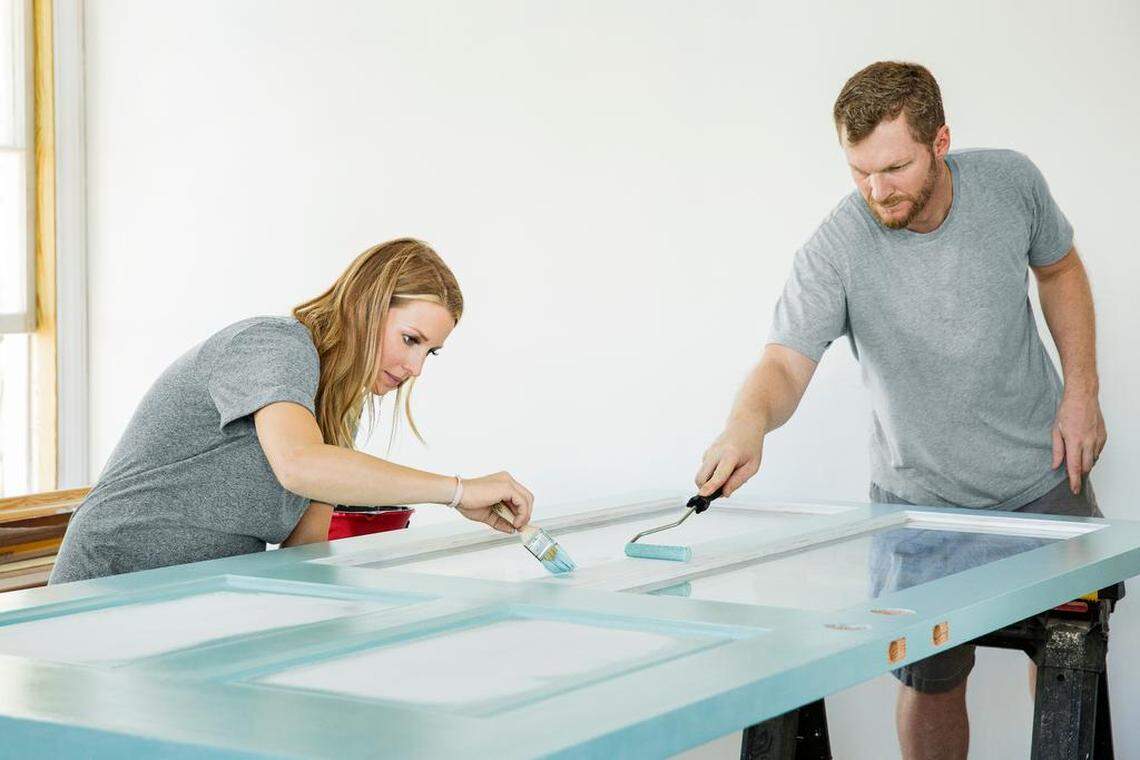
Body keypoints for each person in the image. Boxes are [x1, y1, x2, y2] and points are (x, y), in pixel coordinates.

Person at [695, 62, 1107, 760]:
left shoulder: (1011, 183)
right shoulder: (838, 243)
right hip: (919, 507)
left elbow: (1060, 267)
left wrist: (1081, 390)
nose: (876, 190)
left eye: (894, 167)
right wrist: (747, 424)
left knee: (1070, 661)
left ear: (940, 140)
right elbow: (785, 361)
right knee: (932, 681)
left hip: (1043, 478)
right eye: (859, 171)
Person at [52, 238, 534, 583]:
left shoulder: (336, 407)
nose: (414, 368)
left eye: (429, 352)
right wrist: (457, 491)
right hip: (113, 581)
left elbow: (305, 549)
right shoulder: (270, 345)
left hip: (199, 593)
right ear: (364, 307)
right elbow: (299, 465)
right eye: (410, 340)